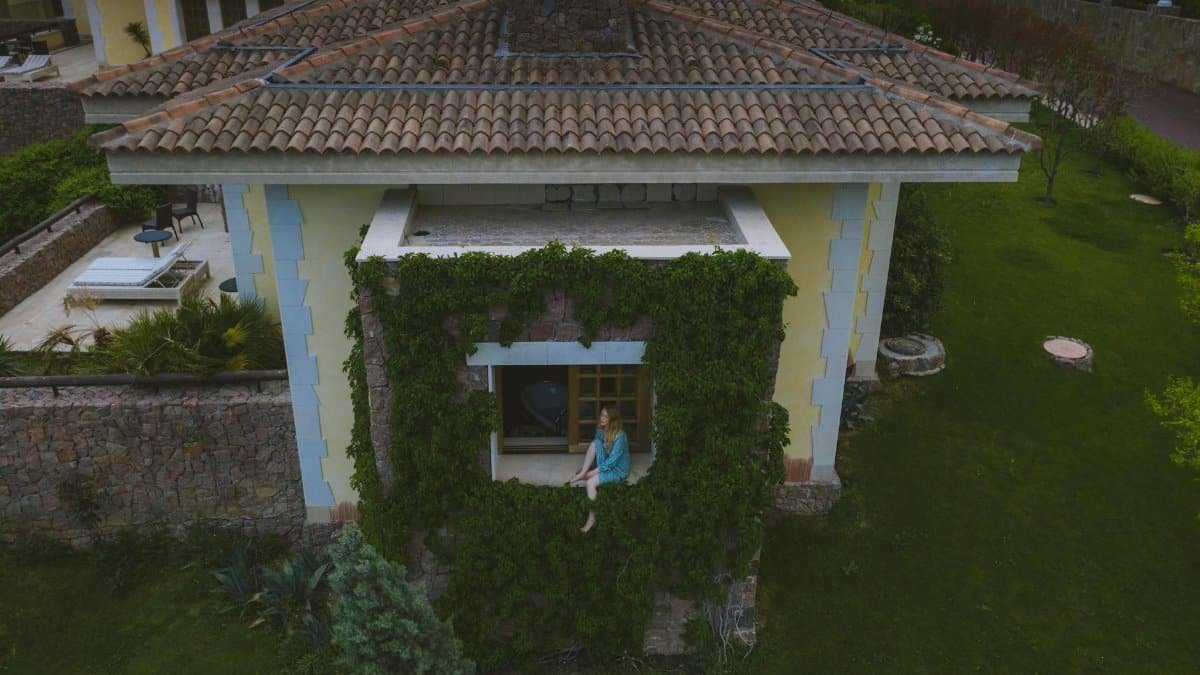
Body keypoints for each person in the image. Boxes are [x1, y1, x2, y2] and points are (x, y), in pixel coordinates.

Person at [568, 406, 630, 533]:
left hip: (617, 469)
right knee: (594, 443)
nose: (601, 418)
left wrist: (594, 472)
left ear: (612, 420)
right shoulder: (601, 430)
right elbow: (599, 449)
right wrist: (589, 469)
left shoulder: (620, 436)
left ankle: (592, 518)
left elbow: (612, 461)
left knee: (590, 483)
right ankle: (583, 473)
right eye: (601, 415)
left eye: (605, 416)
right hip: (606, 464)